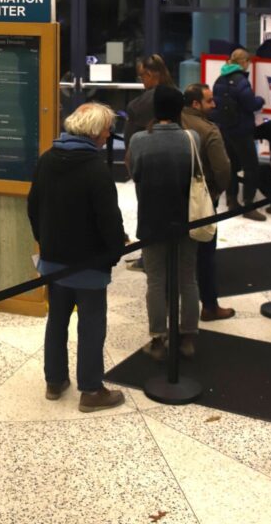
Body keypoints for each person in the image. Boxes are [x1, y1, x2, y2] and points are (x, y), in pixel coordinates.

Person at [27, 102, 127, 413]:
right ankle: (91, 389)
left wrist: (44, 241)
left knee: (56, 320)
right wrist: (115, 251)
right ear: (96, 132)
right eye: (107, 129)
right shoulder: (95, 167)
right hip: (89, 263)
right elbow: (108, 218)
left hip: (54, 260)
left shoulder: (47, 159)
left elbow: (33, 206)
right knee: (91, 324)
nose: (110, 134)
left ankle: (54, 381)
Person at [129, 85, 200, 360]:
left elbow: (136, 174)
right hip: (187, 219)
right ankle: (188, 336)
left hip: (152, 218)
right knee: (188, 280)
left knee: (155, 281)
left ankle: (158, 339)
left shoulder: (138, 141)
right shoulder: (191, 137)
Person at [182, 83, 235, 322]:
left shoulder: (174, 120)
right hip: (203, 199)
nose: (214, 104)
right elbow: (223, 170)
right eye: (209, 101)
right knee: (205, 253)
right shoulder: (209, 130)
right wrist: (216, 192)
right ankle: (209, 306)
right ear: (196, 104)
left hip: (174, 199)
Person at [212, 48, 266, 220]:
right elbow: (251, 104)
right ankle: (249, 205)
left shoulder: (220, 79)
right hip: (241, 130)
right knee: (251, 167)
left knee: (232, 167)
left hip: (225, 130)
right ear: (243, 62)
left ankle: (232, 201)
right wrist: (261, 100)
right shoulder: (241, 81)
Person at [123, 54, 174, 159]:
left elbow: (130, 145)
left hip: (147, 158)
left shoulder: (136, 105)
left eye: (141, 77)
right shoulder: (177, 95)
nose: (142, 81)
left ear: (149, 74)